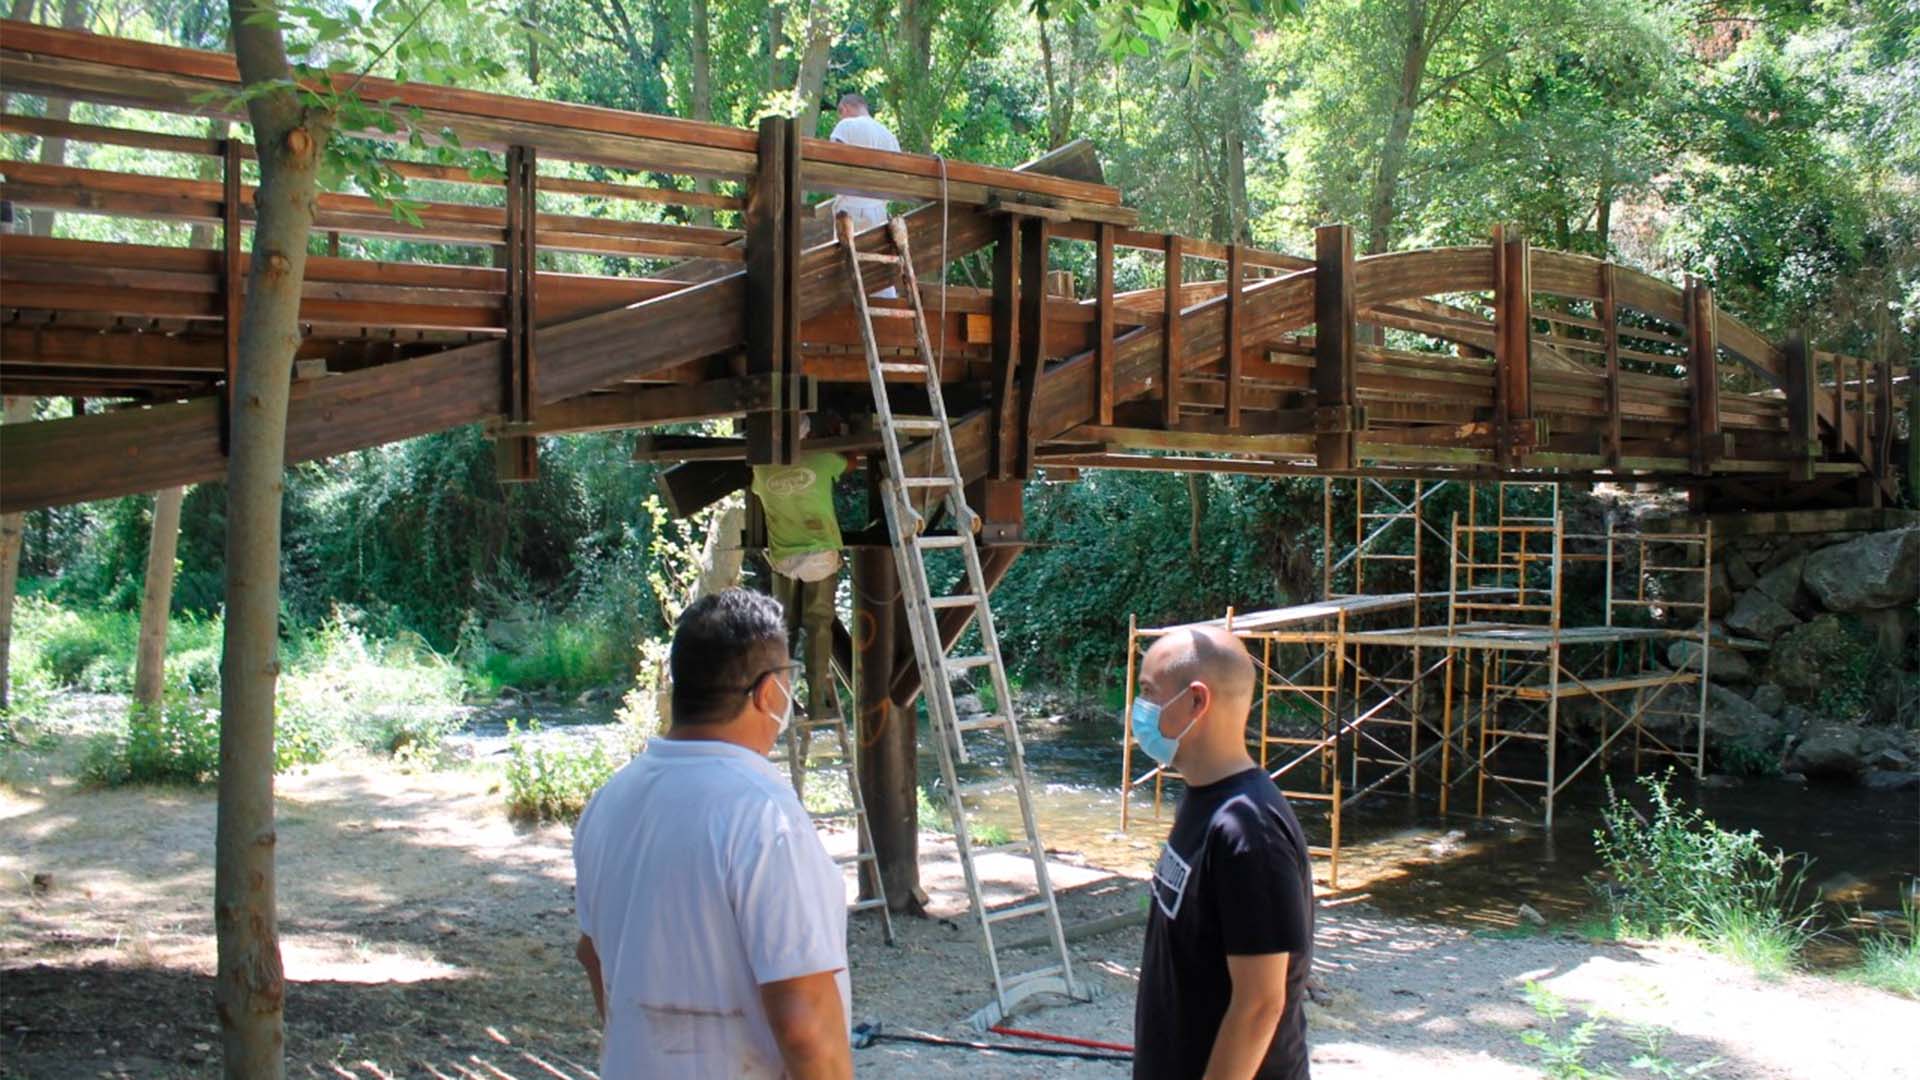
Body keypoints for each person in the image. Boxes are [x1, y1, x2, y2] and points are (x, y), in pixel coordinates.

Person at [571, 589, 853, 1080]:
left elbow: (592, 956)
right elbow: (804, 1021)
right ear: (769, 692)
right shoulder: (764, 816)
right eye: (788, 681)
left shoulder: (610, 799)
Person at [1130, 625, 1315, 1080]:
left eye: (1149, 693)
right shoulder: (1202, 797)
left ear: (1197, 702)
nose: (1139, 710)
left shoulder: (1248, 832)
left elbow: (1260, 1006)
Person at [750, 417, 853, 741]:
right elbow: (850, 462)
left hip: (784, 557)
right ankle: (817, 701)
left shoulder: (763, 469)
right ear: (808, 436)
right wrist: (838, 437)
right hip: (820, 552)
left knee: (785, 626)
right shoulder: (823, 459)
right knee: (819, 623)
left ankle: (782, 700)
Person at [828, 92, 900, 234]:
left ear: (845, 108)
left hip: (849, 210)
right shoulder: (889, 136)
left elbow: (832, 163)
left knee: (844, 255)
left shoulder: (846, 126)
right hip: (879, 212)